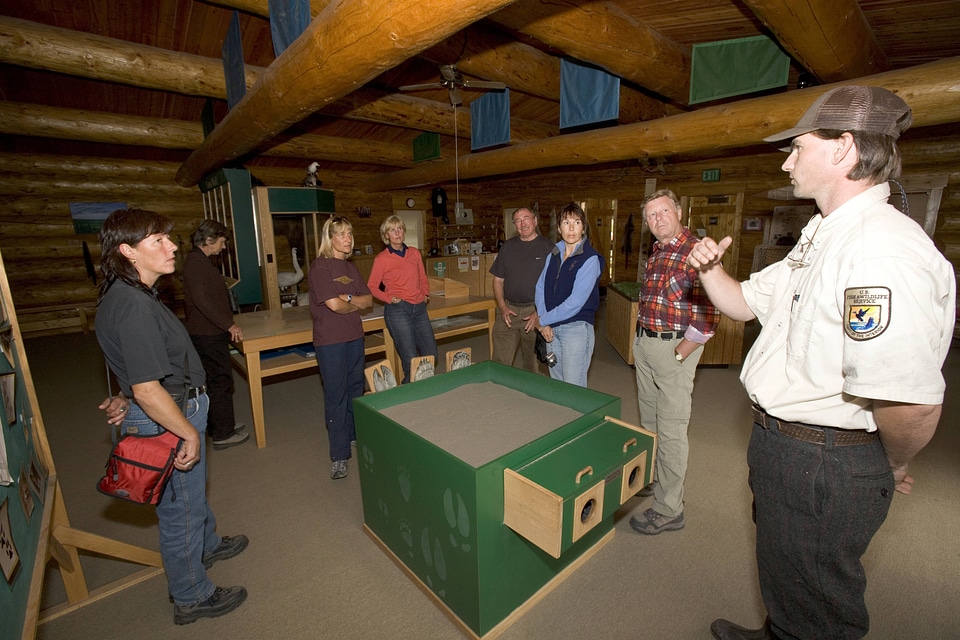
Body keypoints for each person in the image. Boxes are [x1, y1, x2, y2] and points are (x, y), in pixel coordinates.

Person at [686, 86, 955, 640]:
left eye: (797, 147)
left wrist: (893, 462)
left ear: (843, 150)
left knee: (818, 603)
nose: (787, 162)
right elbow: (743, 302)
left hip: (824, 463)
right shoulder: (820, 236)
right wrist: (711, 269)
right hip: (784, 445)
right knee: (787, 572)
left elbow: (912, 402)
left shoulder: (880, 250)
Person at [95, 208, 248, 625]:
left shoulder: (128, 293)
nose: (173, 246)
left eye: (169, 237)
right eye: (158, 241)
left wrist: (125, 395)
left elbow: (134, 370)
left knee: (192, 495)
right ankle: (192, 596)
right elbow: (148, 388)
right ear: (128, 251)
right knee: (181, 510)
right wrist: (189, 434)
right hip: (170, 414)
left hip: (171, 405)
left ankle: (208, 544)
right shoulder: (135, 306)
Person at [629, 188, 719, 535]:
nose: (657, 219)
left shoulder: (696, 251)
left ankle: (669, 508)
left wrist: (682, 351)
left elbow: (711, 309)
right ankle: (654, 479)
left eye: (663, 211)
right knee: (650, 420)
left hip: (673, 352)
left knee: (671, 430)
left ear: (678, 212)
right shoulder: (657, 251)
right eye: (651, 215)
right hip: (647, 345)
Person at [308, 216, 373, 479]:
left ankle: (354, 435)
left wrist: (348, 299)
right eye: (342, 234)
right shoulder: (319, 267)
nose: (348, 239)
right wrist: (350, 302)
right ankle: (339, 454)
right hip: (330, 341)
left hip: (355, 336)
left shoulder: (350, 267)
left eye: (350, 233)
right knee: (336, 395)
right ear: (330, 238)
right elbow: (333, 306)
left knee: (356, 389)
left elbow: (368, 300)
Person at [182, 220, 249, 450]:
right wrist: (229, 324)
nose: (223, 247)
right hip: (208, 333)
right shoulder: (195, 264)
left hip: (207, 331)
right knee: (221, 380)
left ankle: (220, 424)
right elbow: (203, 302)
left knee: (215, 380)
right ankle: (223, 433)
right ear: (208, 240)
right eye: (221, 242)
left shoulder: (199, 261)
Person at [534, 202, 604, 387]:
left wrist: (543, 320)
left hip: (576, 329)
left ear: (583, 227)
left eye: (577, 222)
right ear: (559, 228)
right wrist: (544, 321)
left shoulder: (590, 259)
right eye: (566, 222)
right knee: (557, 383)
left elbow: (575, 302)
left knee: (574, 386)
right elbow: (540, 287)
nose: (571, 228)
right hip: (550, 329)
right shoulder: (554, 254)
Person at [367, 214, 438, 383]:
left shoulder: (414, 253)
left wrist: (425, 295)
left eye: (399, 229)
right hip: (398, 311)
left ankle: (424, 389)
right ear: (386, 235)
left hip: (419, 308)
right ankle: (409, 398)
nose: (397, 233)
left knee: (432, 355)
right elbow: (371, 286)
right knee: (410, 361)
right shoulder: (381, 259)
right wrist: (389, 298)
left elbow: (422, 277)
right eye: (392, 230)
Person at [489, 207, 554, 372]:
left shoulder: (549, 248)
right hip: (508, 311)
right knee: (499, 361)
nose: (523, 223)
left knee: (531, 364)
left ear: (535, 221)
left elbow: (555, 285)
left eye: (526, 218)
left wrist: (539, 312)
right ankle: (499, 393)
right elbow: (497, 280)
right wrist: (502, 307)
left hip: (534, 311)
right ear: (514, 225)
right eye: (518, 220)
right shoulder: (507, 247)